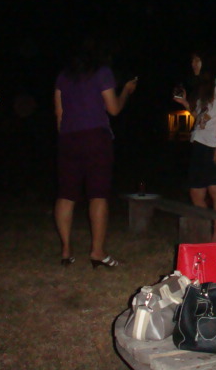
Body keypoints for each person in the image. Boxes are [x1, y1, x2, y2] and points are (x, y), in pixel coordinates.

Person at [54, 36, 138, 268]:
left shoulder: (63, 76)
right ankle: (97, 253)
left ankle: (66, 251)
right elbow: (114, 108)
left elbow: (59, 115)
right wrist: (126, 91)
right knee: (98, 194)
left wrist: (68, 136)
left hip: (68, 139)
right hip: (95, 138)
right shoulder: (102, 72)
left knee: (66, 194)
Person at [174, 52, 216, 242]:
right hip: (199, 142)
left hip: (215, 143)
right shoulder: (202, 88)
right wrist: (185, 103)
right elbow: (199, 117)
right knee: (196, 192)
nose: (193, 63)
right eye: (192, 60)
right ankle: (205, 234)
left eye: (196, 60)